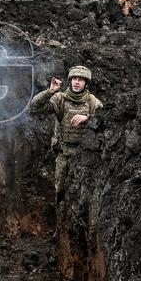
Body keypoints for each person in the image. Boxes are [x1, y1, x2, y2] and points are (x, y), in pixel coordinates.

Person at [29, 65, 103, 199]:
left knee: (81, 196)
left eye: (81, 79)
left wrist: (88, 118)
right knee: (60, 192)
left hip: (84, 157)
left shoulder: (93, 102)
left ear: (86, 83)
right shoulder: (60, 99)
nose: (76, 82)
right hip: (63, 154)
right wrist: (50, 91)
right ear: (70, 80)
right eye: (74, 78)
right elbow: (34, 108)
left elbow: (106, 121)